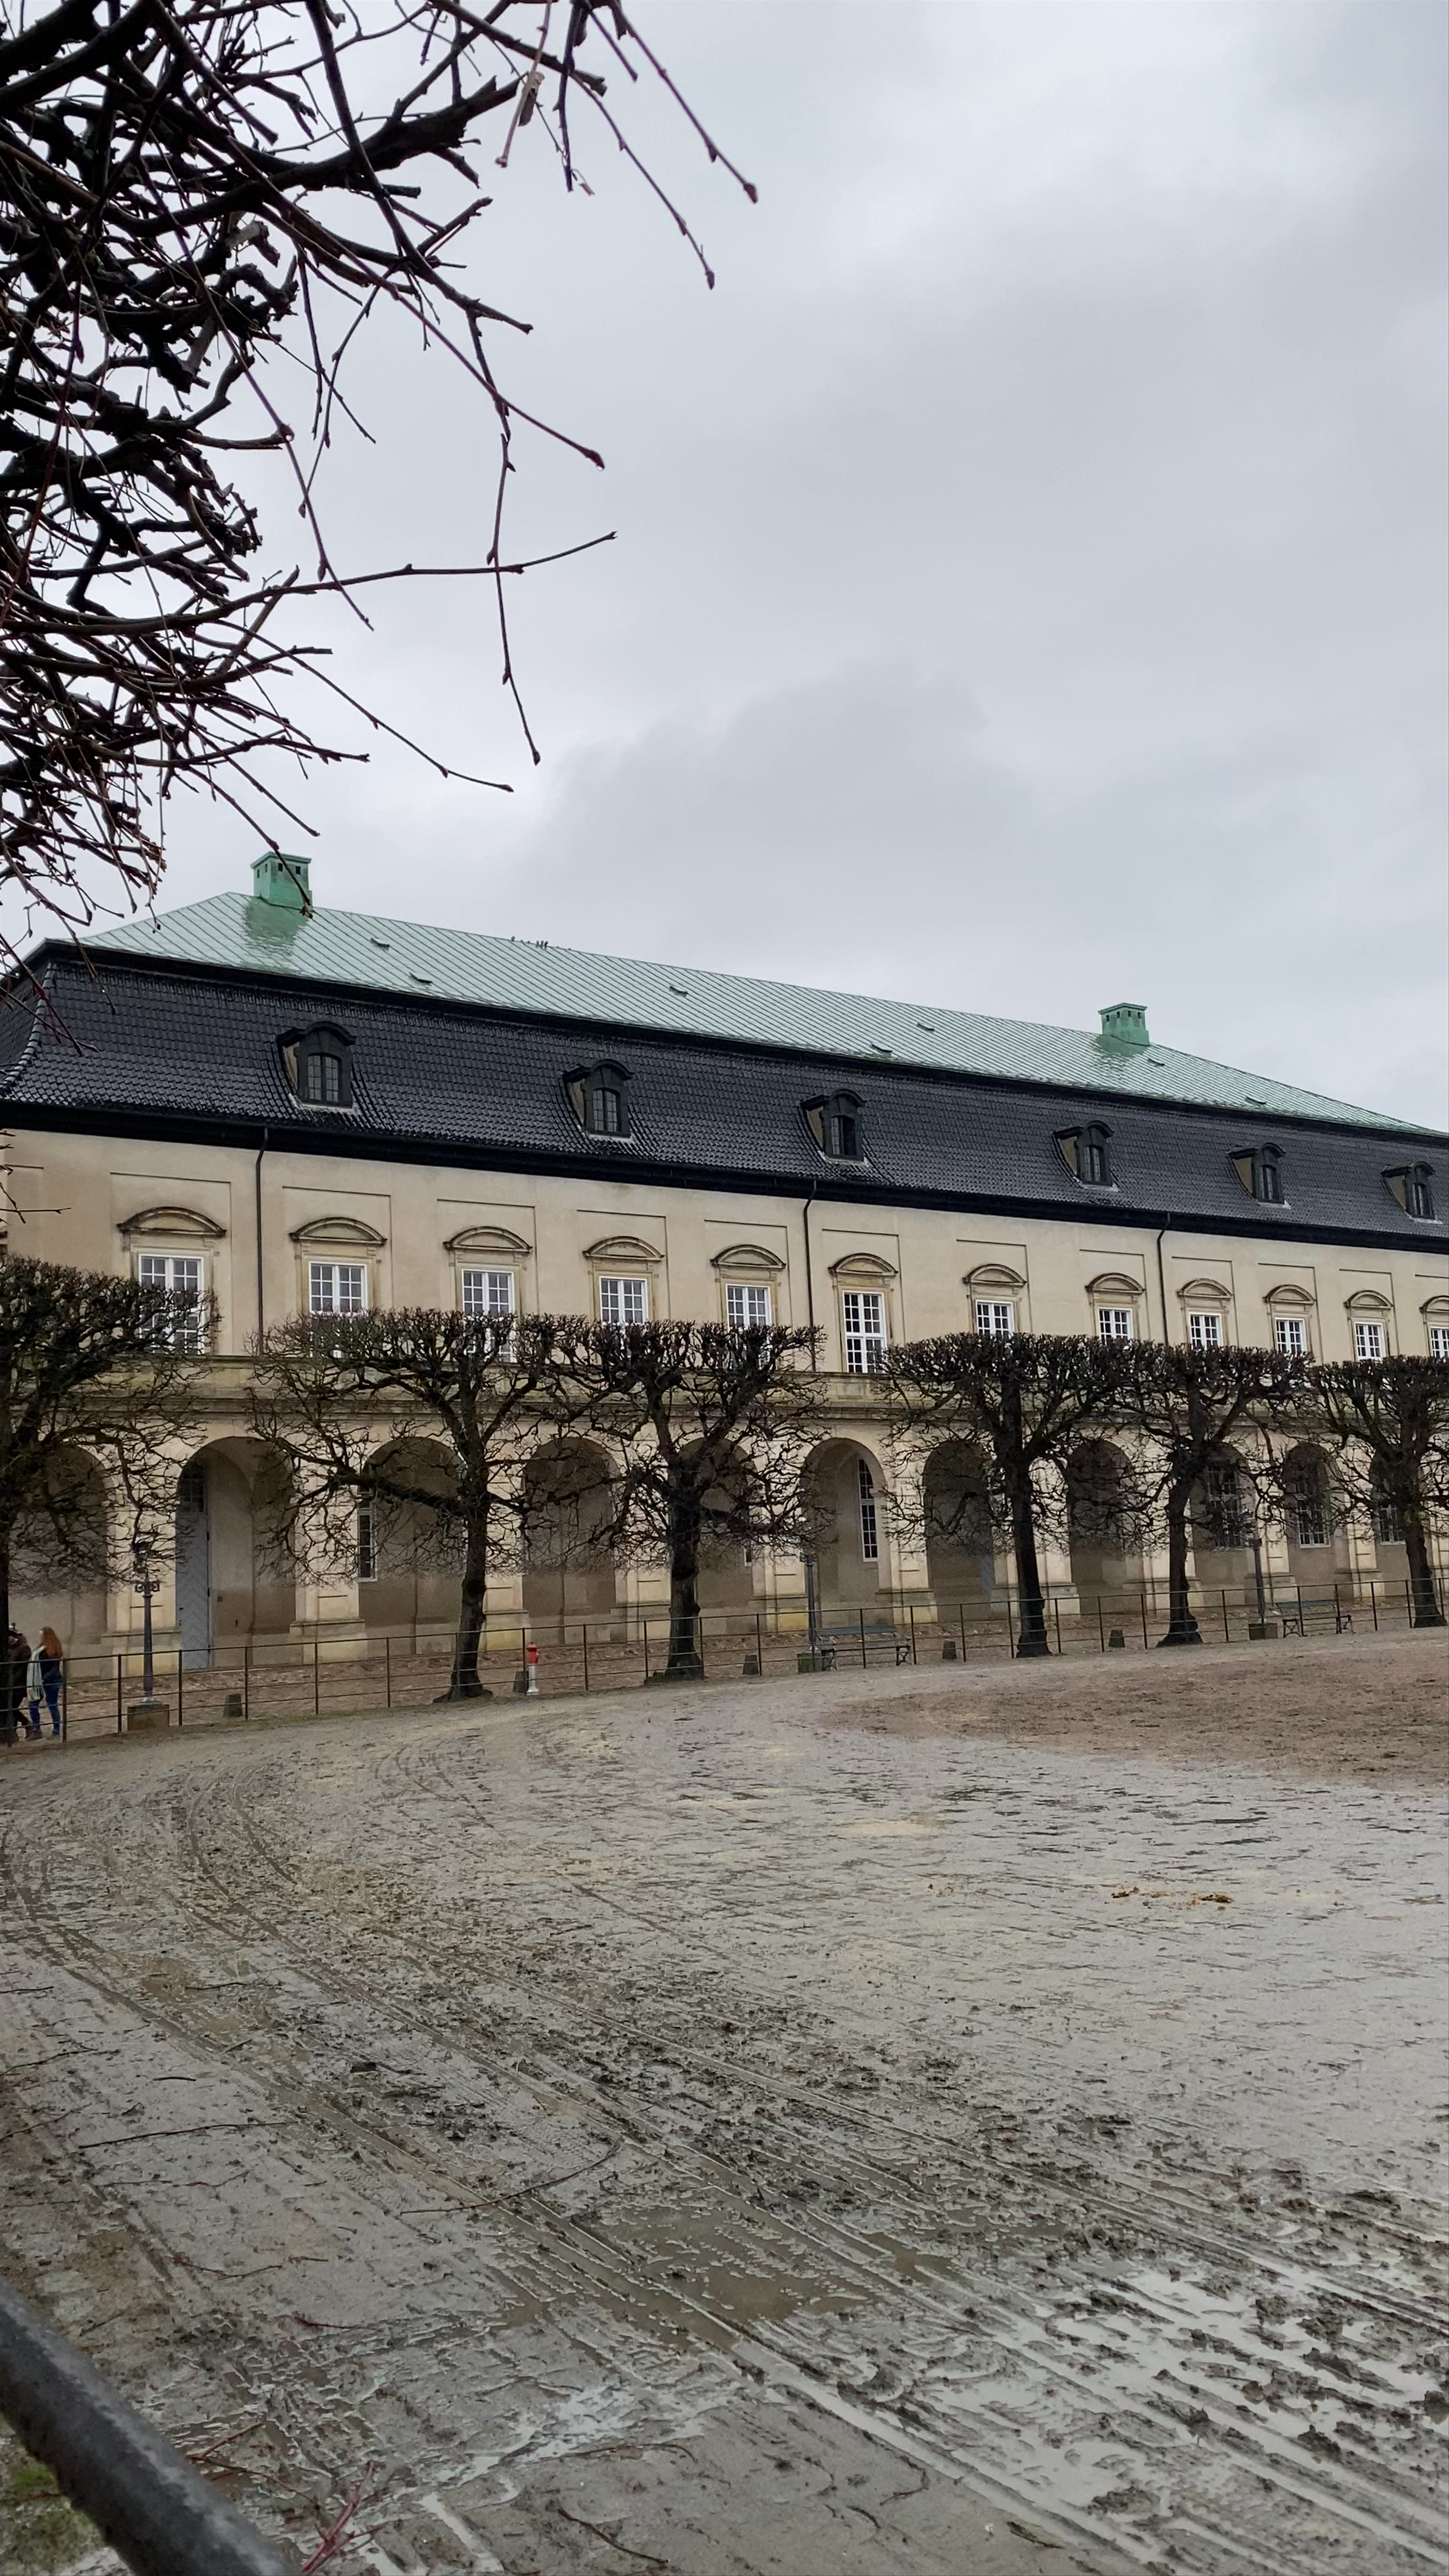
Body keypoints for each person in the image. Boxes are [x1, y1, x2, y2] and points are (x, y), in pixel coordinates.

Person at [29, 1629, 63, 1738]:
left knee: (52, 1705)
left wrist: (45, 1679)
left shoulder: (53, 1650)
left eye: (42, 1635)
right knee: (33, 1705)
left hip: (50, 1681)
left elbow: (54, 1668)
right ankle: (36, 1729)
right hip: (39, 1681)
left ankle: (56, 1731)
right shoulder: (41, 1649)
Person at [3, 1626, 30, 1748]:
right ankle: (12, 1734)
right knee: (10, 1708)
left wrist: (12, 1680)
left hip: (19, 1685)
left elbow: (23, 1668)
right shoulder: (10, 1649)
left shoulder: (24, 1648)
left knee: (11, 1708)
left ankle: (27, 1724)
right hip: (10, 1684)